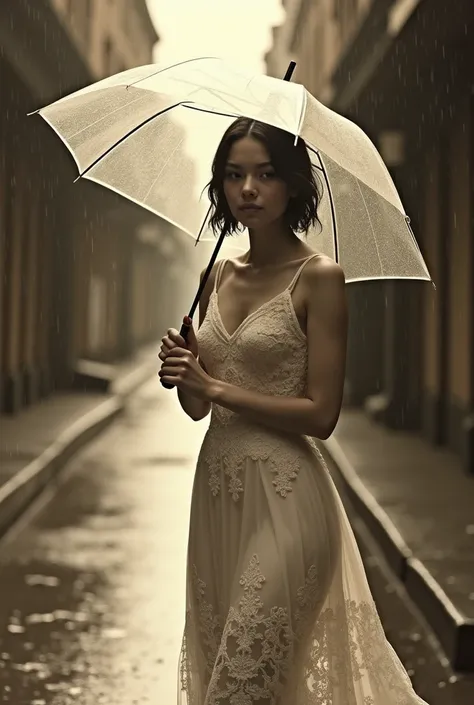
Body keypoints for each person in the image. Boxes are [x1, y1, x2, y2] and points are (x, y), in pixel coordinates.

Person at [158, 118, 429, 705]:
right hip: (217, 499)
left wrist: (217, 386)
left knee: (241, 686)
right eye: (234, 175)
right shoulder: (217, 277)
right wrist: (184, 373)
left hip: (287, 501)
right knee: (233, 675)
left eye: (265, 174)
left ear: (293, 186)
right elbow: (196, 409)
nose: (248, 189)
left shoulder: (320, 278)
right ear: (220, 186)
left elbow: (321, 414)